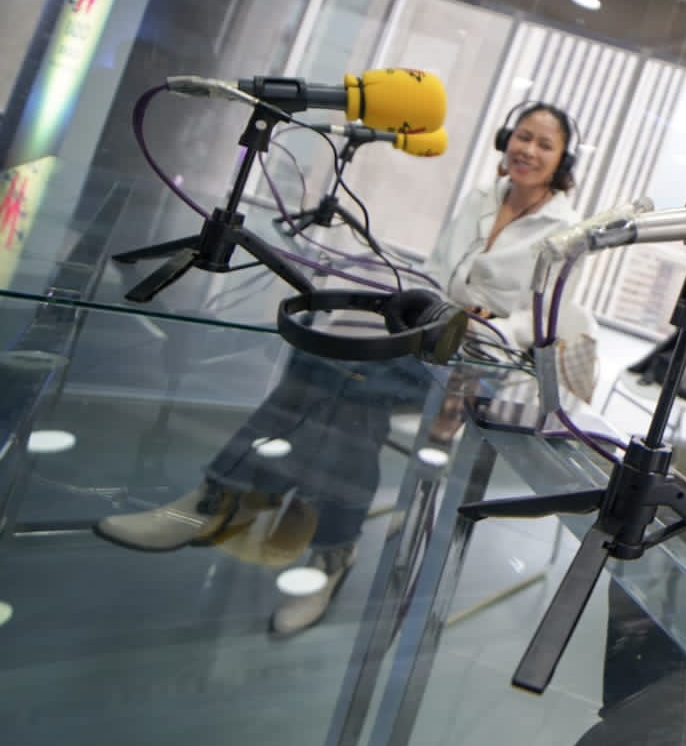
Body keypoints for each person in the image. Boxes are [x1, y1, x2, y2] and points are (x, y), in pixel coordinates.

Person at [94, 101, 599, 635]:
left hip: (485, 361)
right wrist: (427, 307)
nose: (529, 150)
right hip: (428, 334)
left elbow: (543, 320)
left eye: (545, 144)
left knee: (353, 388)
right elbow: (435, 272)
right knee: (320, 358)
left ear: (562, 161)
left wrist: (485, 323)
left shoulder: (568, 231)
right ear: (505, 139)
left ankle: (226, 499)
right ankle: (318, 545)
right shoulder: (480, 198)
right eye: (523, 136)